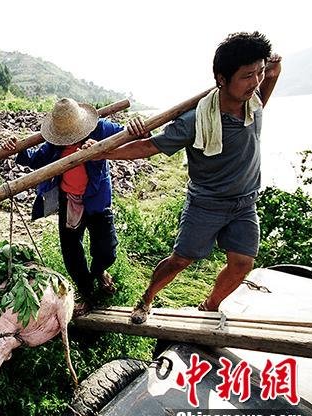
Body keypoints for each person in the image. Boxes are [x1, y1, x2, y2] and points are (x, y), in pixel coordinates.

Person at [98, 31, 282, 323]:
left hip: (245, 203)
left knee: (242, 263)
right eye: (247, 76)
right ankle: (146, 299)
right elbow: (149, 146)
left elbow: (270, 77)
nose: (256, 82)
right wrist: (103, 153)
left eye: (258, 73)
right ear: (222, 79)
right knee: (181, 261)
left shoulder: (254, 103)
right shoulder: (194, 120)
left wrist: (271, 69)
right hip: (206, 204)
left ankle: (210, 306)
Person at [3, 98, 123, 311]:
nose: (69, 140)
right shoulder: (55, 142)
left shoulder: (101, 128)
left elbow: (127, 137)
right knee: (72, 254)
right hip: (69, 201)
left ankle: (99, 271)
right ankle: (87, 293)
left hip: (97, 201)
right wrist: (17, 149)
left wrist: (100, 149)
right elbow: (34, 160)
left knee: (106, 250)